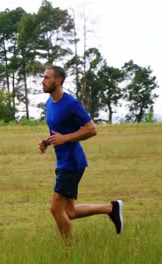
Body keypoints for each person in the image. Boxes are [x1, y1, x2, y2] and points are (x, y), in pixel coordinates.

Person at [38, 65, 123, 241]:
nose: (43, 81)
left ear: (58, 81)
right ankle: (112, 208)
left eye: (47, 77)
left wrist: (65, 138)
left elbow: (92, 129)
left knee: (55, 209)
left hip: (72, 163)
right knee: (69, 211)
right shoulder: (50, 103)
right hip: (63, 161)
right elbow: (58, 132)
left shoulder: (71, 103)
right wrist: (47, 142)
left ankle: (69, 252)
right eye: (43, 77)